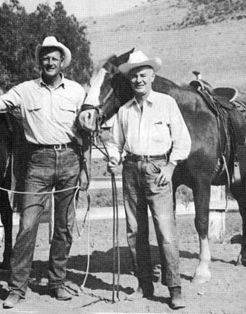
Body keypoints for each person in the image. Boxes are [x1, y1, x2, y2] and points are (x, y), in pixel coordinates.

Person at [0, 36, 90, 308]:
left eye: (54, 58)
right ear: (40, 62)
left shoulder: (77, 92)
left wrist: (85, 168)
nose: (49, 62)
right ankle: (17, 288)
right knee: (27, 225)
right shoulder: (25, 90)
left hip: (71, 159)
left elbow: (86, 131)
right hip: (38, 162)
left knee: (64, 226)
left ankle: (57, 282)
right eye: (45, 57)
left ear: (62, 63)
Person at [106, 51, 191, 310]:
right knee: (135, 231)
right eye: (134, 75)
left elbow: (182, 139)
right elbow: (114, 141)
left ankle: (174, 288)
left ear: (152, 76)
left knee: (166, 232)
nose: (138, 79)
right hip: (131, 169)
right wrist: (113, 158)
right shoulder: (124, 110)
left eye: (143, 74)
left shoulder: (166, 103)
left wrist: (171, 166)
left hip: (157, 170)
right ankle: (144, 284)